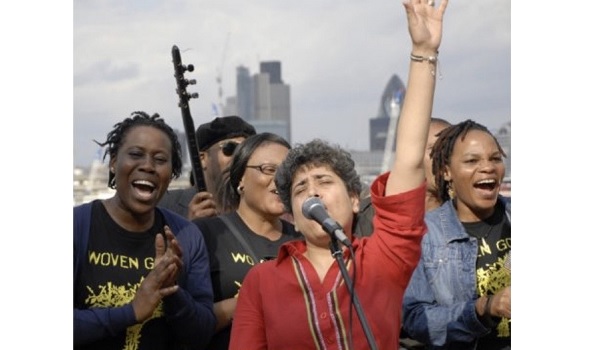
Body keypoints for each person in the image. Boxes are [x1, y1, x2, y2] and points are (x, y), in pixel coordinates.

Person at [228, 1, 448, 348]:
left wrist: (423, 53)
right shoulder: (262, 281)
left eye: (325, 181)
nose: (313, 192)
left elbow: (408, 160)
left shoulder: (383, 258)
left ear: (355, 200)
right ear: (293, 217)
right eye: (301, 189)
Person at [74, 111, 216, 349]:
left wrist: (172, 290)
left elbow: (201, 334)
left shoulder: (186, 236)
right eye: (136, 154)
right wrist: (131, 312)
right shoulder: (77, 225)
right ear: (112, 162)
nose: (148, 166)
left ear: (171, 175)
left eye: (160, 160)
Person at [402, 119, 511, 349]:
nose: (488, 167)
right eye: (472, 160)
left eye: (495, 158)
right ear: (447, 171)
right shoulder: (426, 234)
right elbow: (416, 319)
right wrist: (483, 308)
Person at [193, 132, 303, 350]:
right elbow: (189, 323)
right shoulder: (207, 234)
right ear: (240, 178)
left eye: (287, 173)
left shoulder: (303, 241)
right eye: (268, 170)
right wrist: (253, 298)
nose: (280, 181)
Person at [354, 117, 451, 237]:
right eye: (434, 149)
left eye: (450, 150)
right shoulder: (368, 216)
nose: (444, 158)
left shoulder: (468, 213)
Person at [158, 115, 256, 220]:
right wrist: (190, 229)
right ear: (202, 159)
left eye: (246, 152)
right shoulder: (164, 205)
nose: (239, 158)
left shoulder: (258, 209)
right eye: (230, 148)